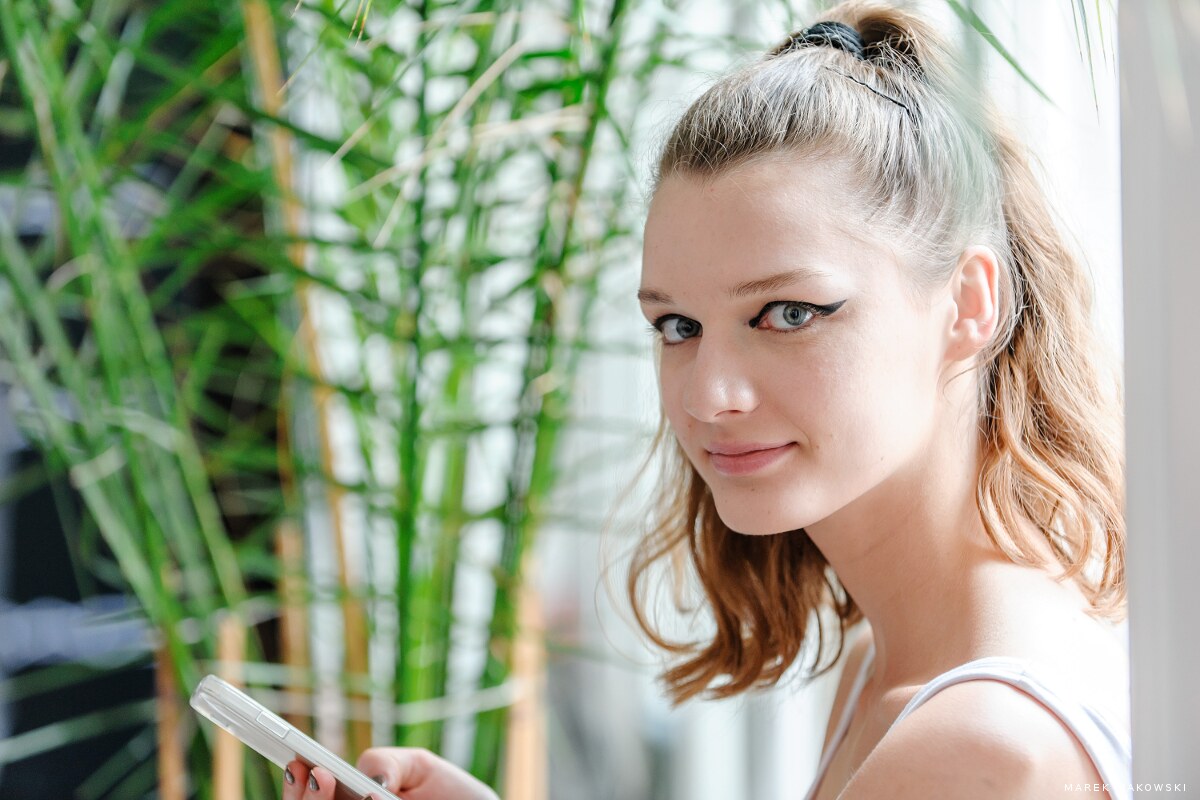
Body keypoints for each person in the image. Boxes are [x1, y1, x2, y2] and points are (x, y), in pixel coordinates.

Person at [284, 2, 1132, 799]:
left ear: (967, 303)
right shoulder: (895, 660)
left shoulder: (979, 743)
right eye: (678, 324)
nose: (710, 395)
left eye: (790, 313)